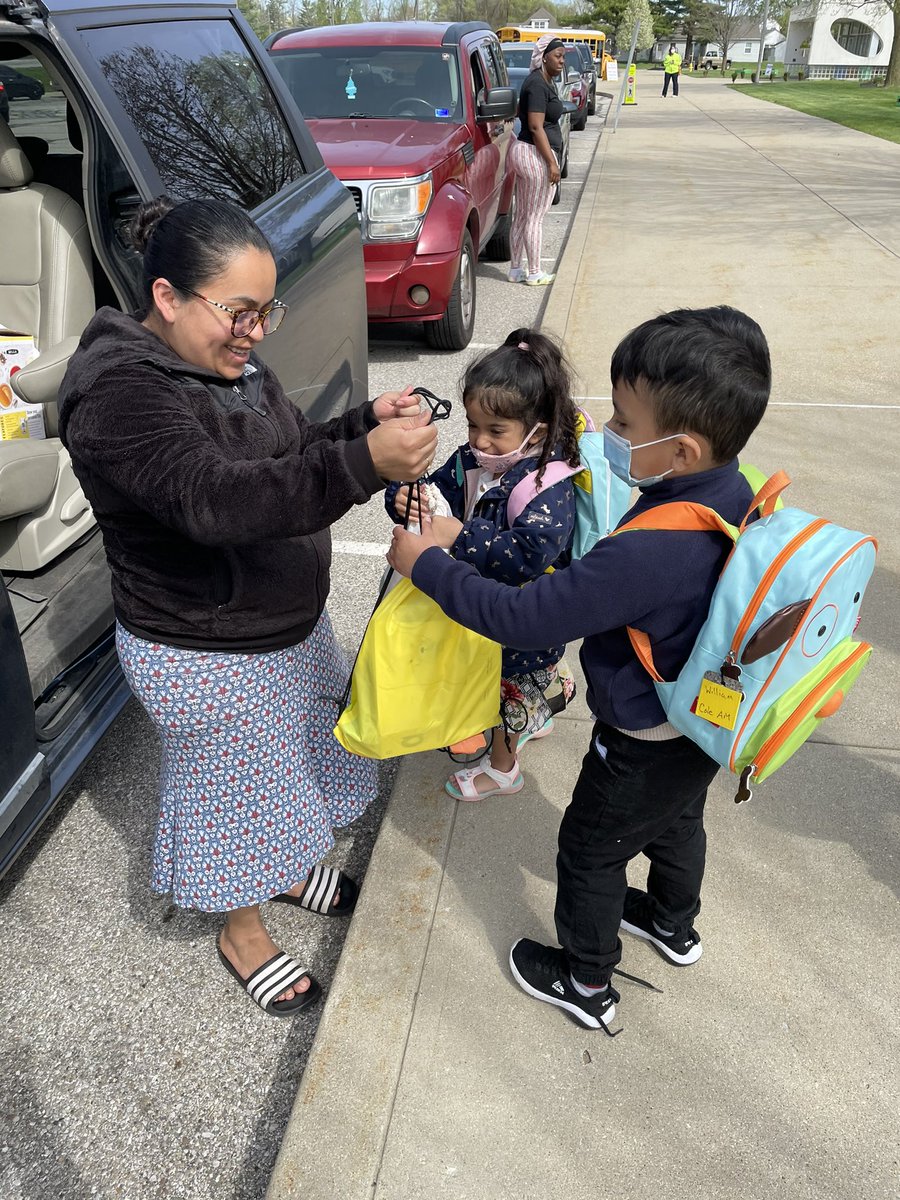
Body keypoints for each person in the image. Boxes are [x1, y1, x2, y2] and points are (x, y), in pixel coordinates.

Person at [58, 196, 438, 1018]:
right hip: (203, 644)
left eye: (268, 311)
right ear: (166, 297)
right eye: (238, 312)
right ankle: (242, 930)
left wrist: (358, 425)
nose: (256, 331)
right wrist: (366, 465)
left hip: (279, 622)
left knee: (294, 760)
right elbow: (213, 500)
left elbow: (289, 449)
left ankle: (291, 862)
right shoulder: (118, 395)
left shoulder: (234, 362)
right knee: (236, 792)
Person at [386, 306, 771, 1033]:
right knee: (679, 820)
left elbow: (524, 616)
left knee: (590, 851)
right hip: (700, 722)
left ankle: (586, 978)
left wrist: (428, 562)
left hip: (639, 735)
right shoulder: (732, 489)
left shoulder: (652, 546)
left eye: (624, 425)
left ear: (683, 448)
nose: (608, 435)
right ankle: (671, 922)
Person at [384, 328, 579, 799]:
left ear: (539, 429)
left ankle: (503, 769)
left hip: (520, 619)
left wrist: (462, 535)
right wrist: (406, 498)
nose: (481, 442)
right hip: (484, 605)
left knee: (507, 691)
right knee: (510, 683)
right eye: (473, 426)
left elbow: (528, 556)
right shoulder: (474, 460)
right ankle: (541, 707)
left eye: (496, 431)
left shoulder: (548, 486)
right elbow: (431, 487)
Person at [508, 35, 567, 287]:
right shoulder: (538, 85)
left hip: (524, 152)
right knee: (534, 216)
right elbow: (535, 126)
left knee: (522, 215)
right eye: (558, 56)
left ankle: (515, 269)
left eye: (564, 56)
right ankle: (534, 272)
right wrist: (552, 164)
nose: (562, 60)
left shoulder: (541, 82)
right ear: (544, 57)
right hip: (533, 154)